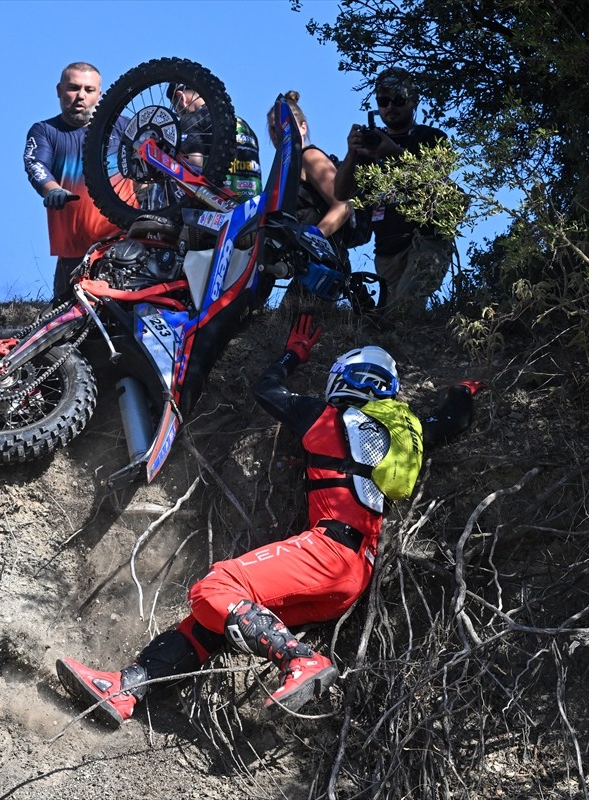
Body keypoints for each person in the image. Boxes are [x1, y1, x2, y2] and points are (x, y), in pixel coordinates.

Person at [56, 313, 482, 726]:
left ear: (344, 379)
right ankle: (125, 688)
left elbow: (268, 389)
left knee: (214, 589)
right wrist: (464, 389)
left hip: (327, 551)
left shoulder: (324, 417)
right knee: (211, 622)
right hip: (355, 578)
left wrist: (293, 354)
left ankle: (300, 660)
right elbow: (453, 420)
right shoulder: (409, 435)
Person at [334, 67, 457, 316]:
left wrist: (394, 153)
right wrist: (352, 154)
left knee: (405, 310)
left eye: (399, 100)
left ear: (414, 101)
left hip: (426, 240)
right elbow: (341, 193)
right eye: (383, 101)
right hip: (387, 248)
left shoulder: (431, 138)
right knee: (389, 319)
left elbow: (437, 179)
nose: (390, 107)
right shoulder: (371, 144)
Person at [24, 61, 122, 299]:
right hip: (73, 255)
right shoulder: (45, 131)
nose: (81, 96)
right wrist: (52, 189)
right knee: (66, 319)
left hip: (122, 247)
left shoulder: (124, 128)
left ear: (100, 94)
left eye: (89, 90)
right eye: (73, 88)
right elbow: (35, 164)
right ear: (59, 90)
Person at [267, 91, 353, 275]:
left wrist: (314, 236)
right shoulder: (287, 167)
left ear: (303, 127)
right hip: (308, 265)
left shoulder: (310, 157)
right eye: (273, 129)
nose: (278, 133)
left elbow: (344, 205)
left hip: (327, 264)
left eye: (284, 125)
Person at [170, 82, 262, 201]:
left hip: (217, 207)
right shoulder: (243, 124)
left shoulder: (192, 120)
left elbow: (192, 170)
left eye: (176, 109)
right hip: (253, 206)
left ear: (181, 97)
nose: (179, 114)